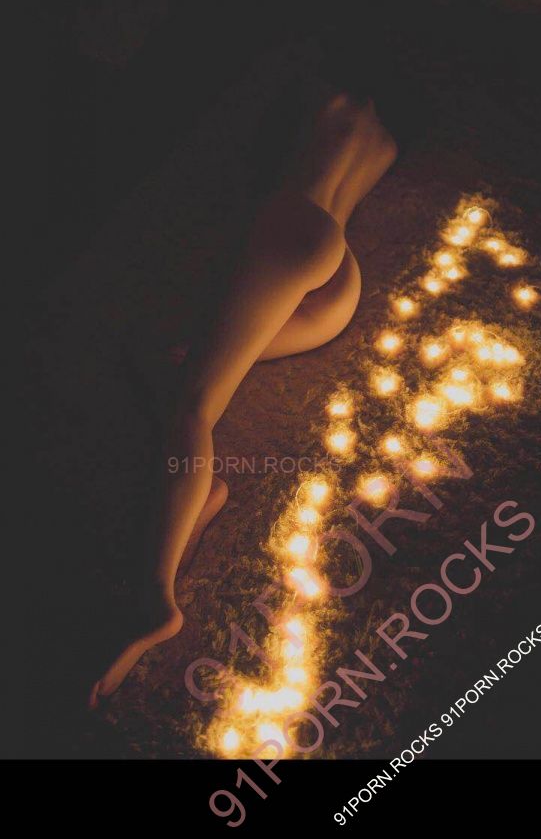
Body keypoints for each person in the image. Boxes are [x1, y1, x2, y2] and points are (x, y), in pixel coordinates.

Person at [89, 93, 397, 707]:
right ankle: (197, 499)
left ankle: (155, 596)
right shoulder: (381, 126)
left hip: (293, 232)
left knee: (195, 407)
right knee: (169, 366)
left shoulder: (331, 95)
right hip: (336, 286)